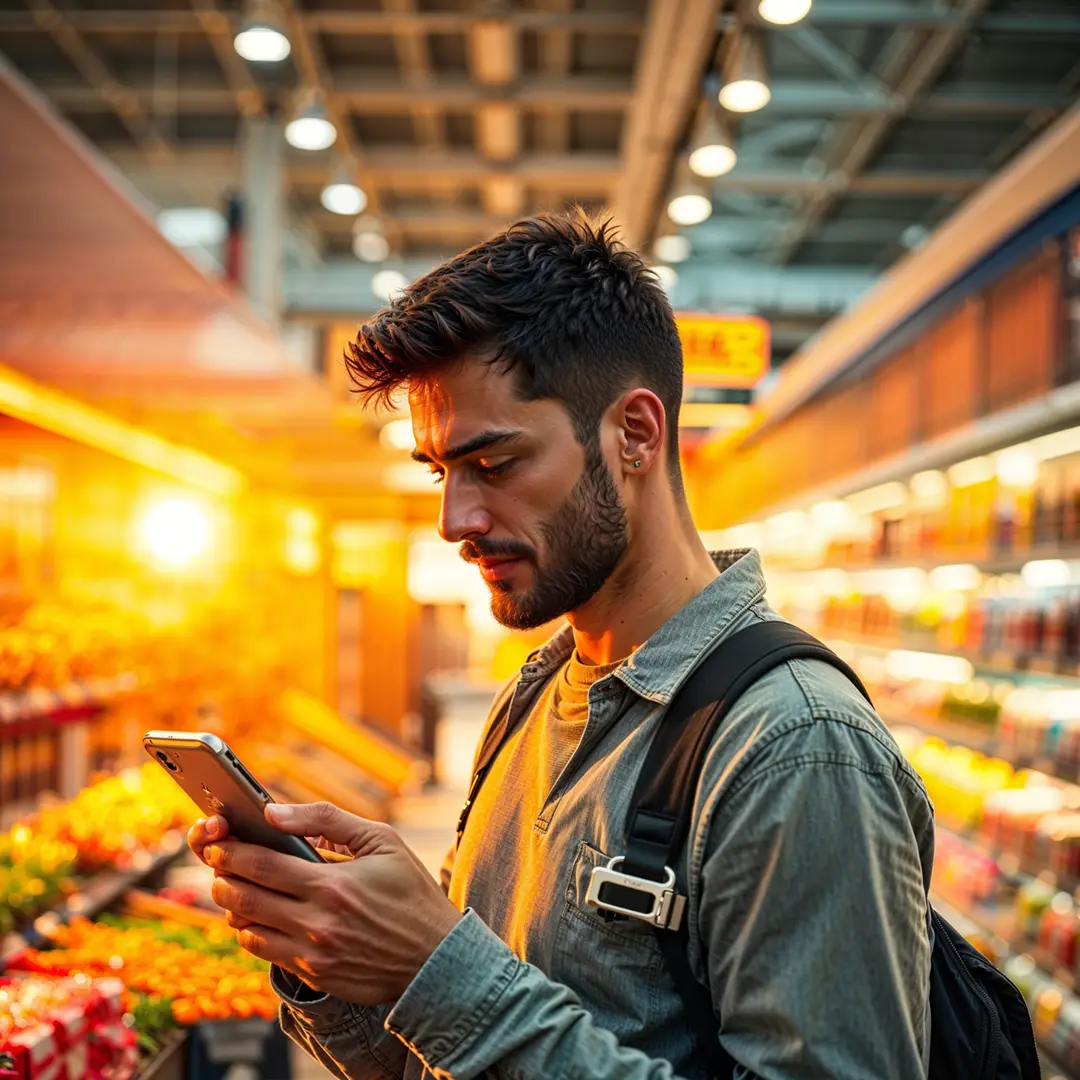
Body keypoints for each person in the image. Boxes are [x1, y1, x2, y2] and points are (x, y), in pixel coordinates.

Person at [188, 211, 934, 1079]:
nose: (453, 522)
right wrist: (341, 962)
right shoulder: (534, 699)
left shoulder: (794, 749)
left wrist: (441, 970)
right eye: (441, 472)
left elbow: (471, 1008)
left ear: (635, 435)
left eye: (494, 464)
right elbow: (447, 1058)